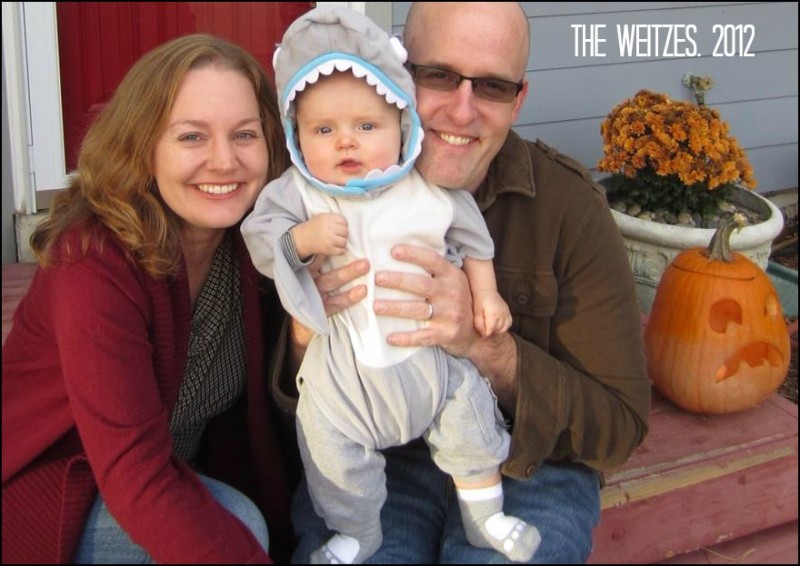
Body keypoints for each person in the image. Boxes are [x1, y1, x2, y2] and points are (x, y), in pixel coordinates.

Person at [268, 2, 651, 564]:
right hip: (378, 454)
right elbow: (281, 406)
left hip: (529, 460)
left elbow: (619, 426)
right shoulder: (315, 181)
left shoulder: (569, 208)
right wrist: (310, 323)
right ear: (396, 74)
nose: (462, 110)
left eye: (493, 86)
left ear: (518, 101)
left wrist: (485, 348)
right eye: (439, 76)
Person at [241, 6, 540, 564]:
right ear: (296, 137)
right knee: (329, 447)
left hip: (430, 367)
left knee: (469, 421)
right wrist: (302, 240)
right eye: (323, 130)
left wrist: (488, 294)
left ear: (402, 125)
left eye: (366, 127)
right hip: (347, 375)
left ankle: (486, 516)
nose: (346, 144)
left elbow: (475, 242)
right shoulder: (300, 196)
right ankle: (358, 532)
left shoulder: (427, 188)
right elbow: (261, 238)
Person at [1, 34, 295, 564]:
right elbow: (136, 477)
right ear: (143, 146)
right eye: (191, 137)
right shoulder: (92, 259)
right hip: (56, 483)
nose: (224, 161)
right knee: (237, 525)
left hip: (166, 472)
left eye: (244, 134)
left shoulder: (256, 243)